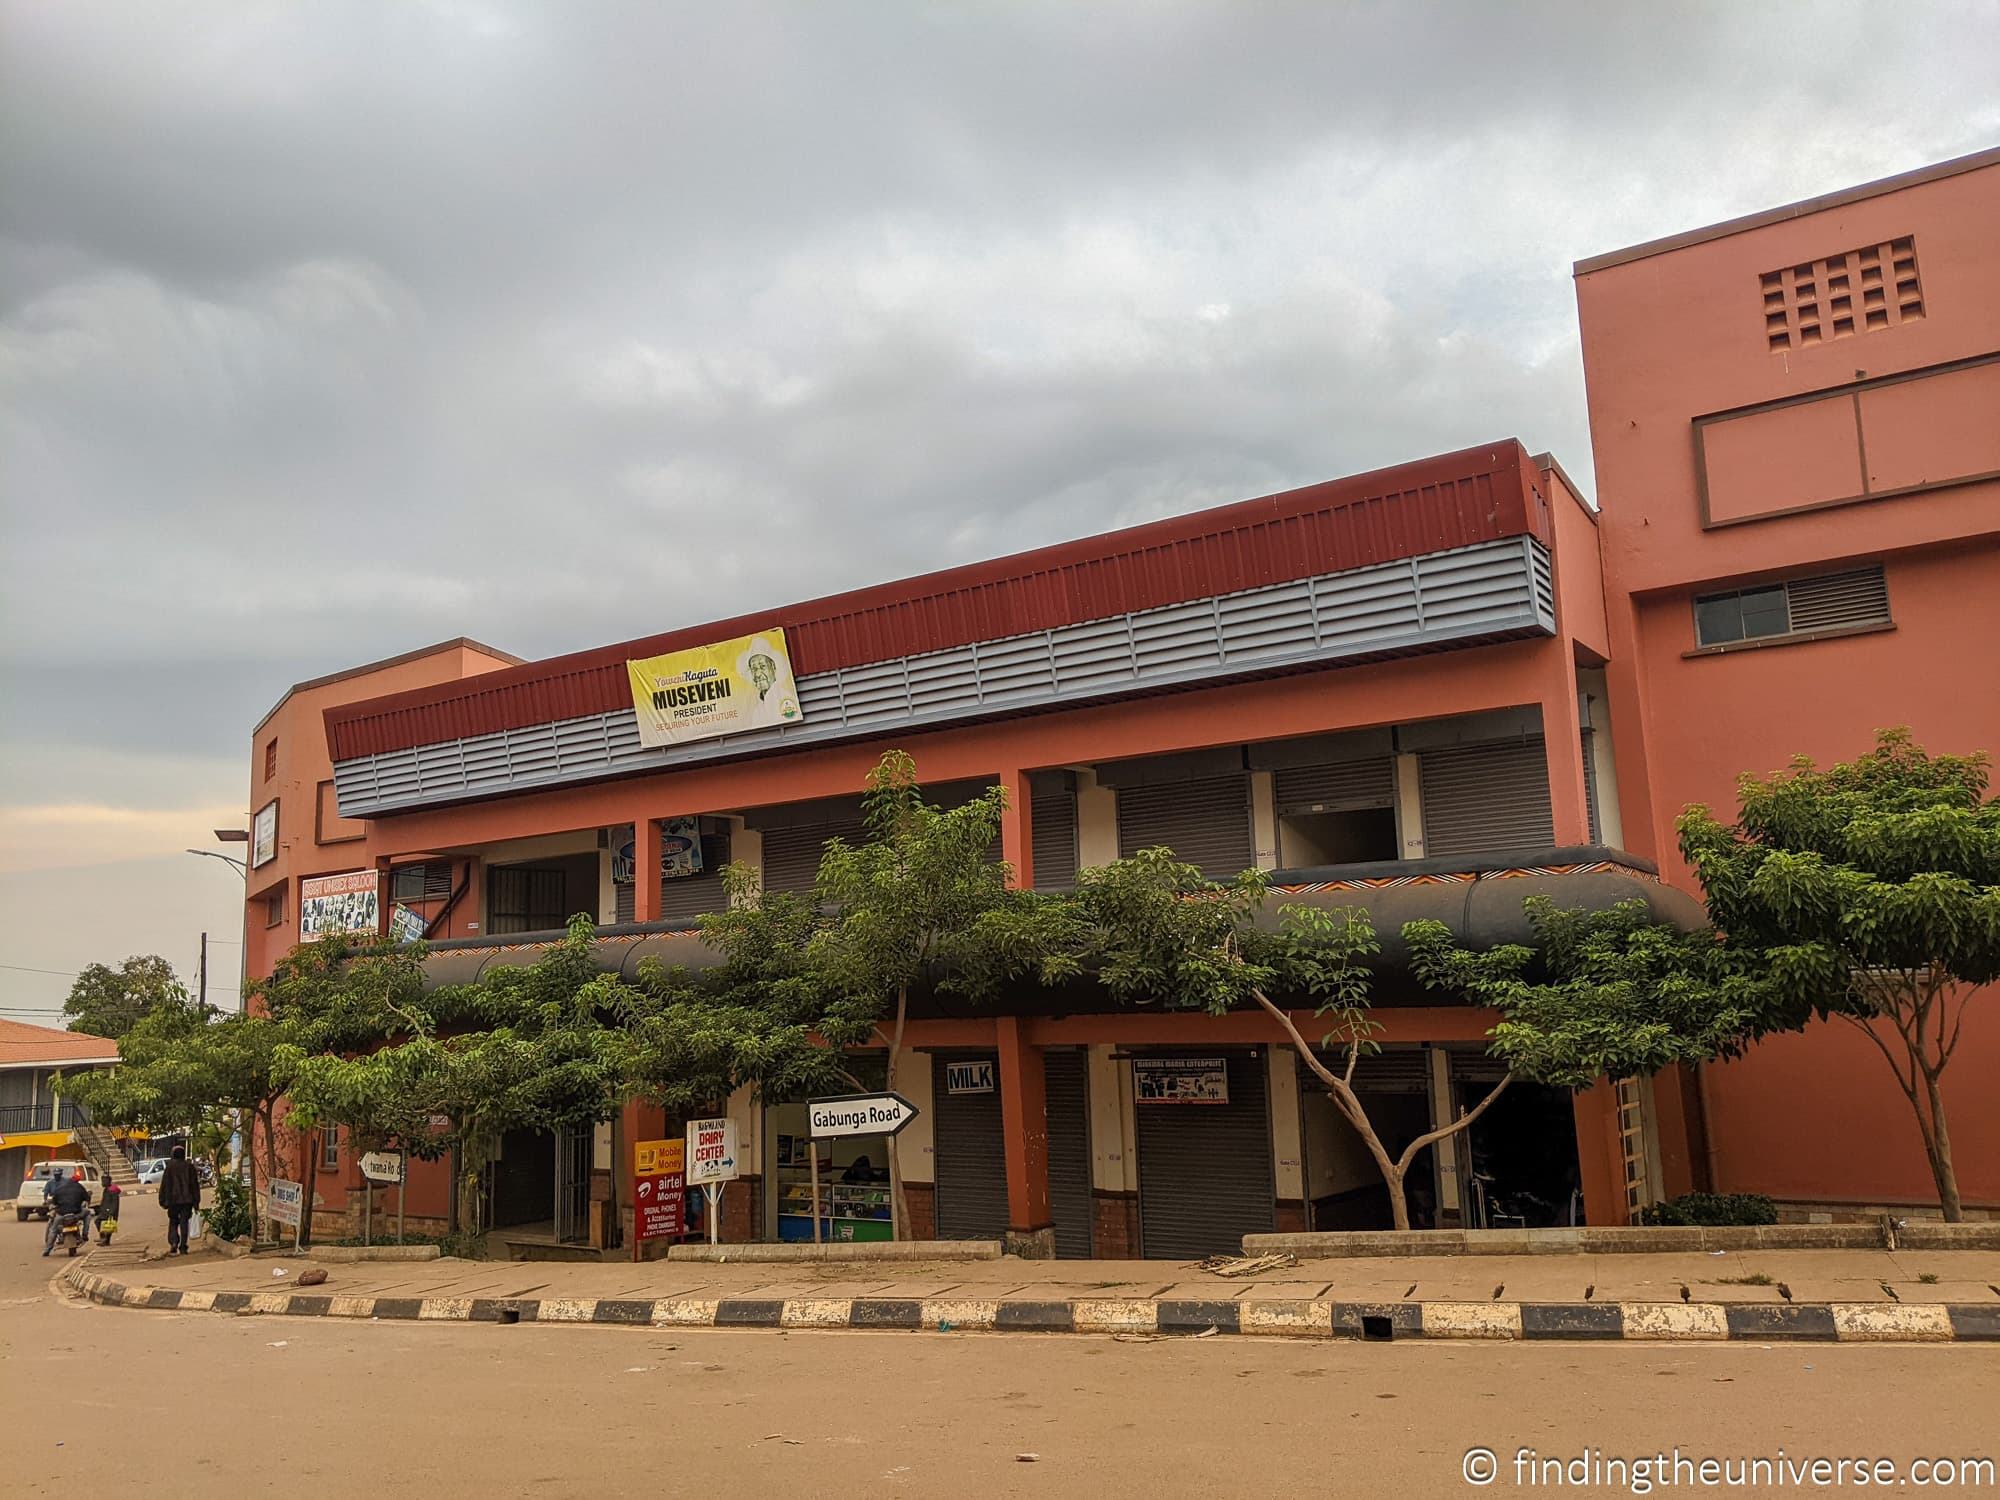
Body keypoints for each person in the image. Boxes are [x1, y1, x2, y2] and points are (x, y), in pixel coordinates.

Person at [158, 1146, 202, 1256]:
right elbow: (194, 1186)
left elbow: (164, 1185)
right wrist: (196, 1202)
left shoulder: (169, 1168)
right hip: (187, 1201)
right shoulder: (190, 1167)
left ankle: (173, 1242)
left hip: (173, 1201)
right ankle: (183, 1246)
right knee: (184, 1223)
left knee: (173, 1221)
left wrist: (162, 1200)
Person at [42, 1168, 90, 1256]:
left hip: (61, 1214)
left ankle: (47, 1249)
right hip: (76, 1213)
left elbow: (54, 1201)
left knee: (53, 1230)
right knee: (87, 1213)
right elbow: (87, 1198)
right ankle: (85, 1234)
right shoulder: (80, 1187)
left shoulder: (59, 1188)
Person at [96, 1178, 124, 1244]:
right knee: (105, 1224)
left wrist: (111, 1212)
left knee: (102, 1223)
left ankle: (103, 1238)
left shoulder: (112, 1191)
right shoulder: (107, 1189)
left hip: (109, 1212)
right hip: (105, 1211)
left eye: (103, 1181)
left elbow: (115, 1203)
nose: (102, 1183)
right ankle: (105, 1240)